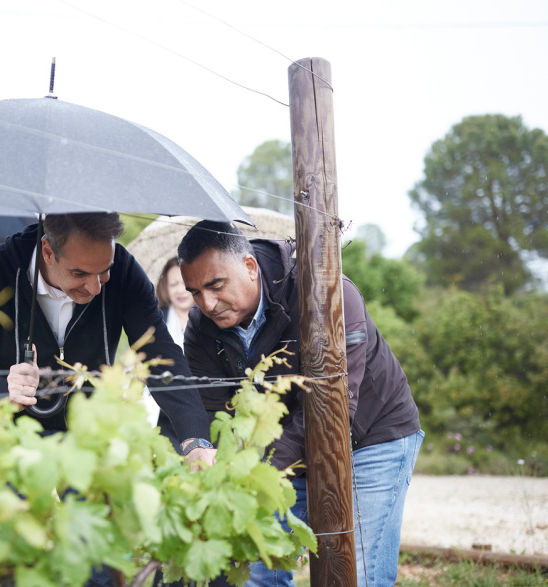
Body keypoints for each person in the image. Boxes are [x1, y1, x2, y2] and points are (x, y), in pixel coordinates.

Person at [176, 220, 423, 587]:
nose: (206, 303)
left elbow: (332, 409)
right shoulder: (200, 327)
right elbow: (217, 412)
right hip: (282, 449)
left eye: (215, 285)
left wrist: (260, 473)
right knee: (256, 572)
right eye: (194, 292)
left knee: (354, 574)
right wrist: (208, 453)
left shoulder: (324, 293)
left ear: (249, 266)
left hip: (370, 438)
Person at [0, 212, 217, 463]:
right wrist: (2, 390)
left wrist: (194, 438)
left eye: (104, 271)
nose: (95, 288)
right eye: (79, 273)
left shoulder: (124, 270)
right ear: (48, 252)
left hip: (89, 435)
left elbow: (161, 353)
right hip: (6, 436)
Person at [156, 257, 195, 346]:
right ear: (165, 287)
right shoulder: (156, 319)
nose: (180, 290)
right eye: (174, 284)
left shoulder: (211, 317)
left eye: (185, 283)